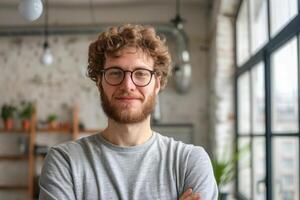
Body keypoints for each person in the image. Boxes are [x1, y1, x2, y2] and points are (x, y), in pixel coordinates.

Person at [39, 24, 218, 200]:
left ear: (156, 84)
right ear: (100, 82)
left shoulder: (189, 162)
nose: (128, 85)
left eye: (140, 73)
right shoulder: (65, 162)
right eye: (115, 73)